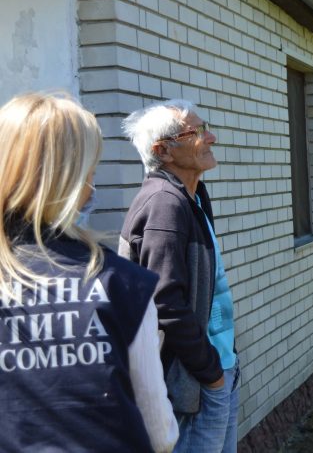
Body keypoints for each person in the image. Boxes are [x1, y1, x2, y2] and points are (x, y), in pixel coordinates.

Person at [0, 92, 178, 452]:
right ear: (68, 181)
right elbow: (161, 434)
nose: (91, 187)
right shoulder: (124, 284)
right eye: (90, 171)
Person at [120, 100, 239, 453]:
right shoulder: (164, 204)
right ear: (163, 151)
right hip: (192, 381)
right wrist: (212, 374)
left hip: (215, 369)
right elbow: (165, 301)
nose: (211, 137)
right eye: (198, 132)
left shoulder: (191, 196)